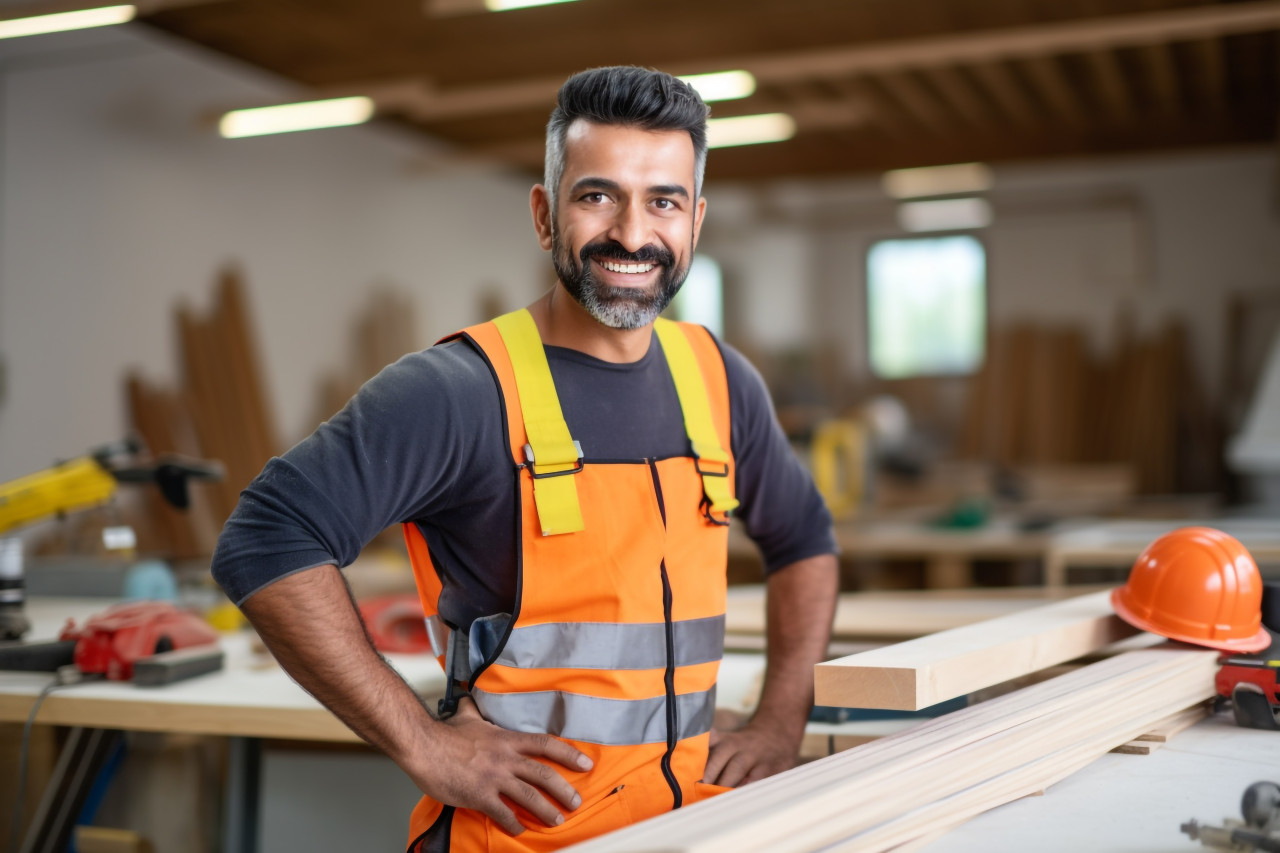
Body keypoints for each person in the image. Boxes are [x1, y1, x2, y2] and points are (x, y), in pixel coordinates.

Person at [212, 65, 838, 852]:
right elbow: (266, 536)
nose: (633, 234)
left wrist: (783, 717)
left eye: (664, 201)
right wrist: (421, 739)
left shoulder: (718, 378)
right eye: (597, 195)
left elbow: (805, 540)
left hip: (689, 827)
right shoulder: (459, 390)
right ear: (545, 215)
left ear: (695, 222)